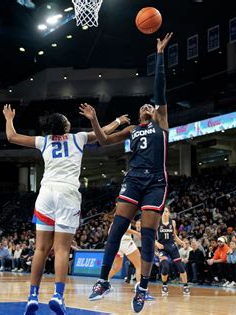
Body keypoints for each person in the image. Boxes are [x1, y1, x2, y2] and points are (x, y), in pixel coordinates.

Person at [3, 104, 130, 315]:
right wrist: (118, 121)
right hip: (67, 194)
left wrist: (8, 118)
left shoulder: (44, 141)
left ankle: (32, 296)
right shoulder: (77, 138)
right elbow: (103, 133)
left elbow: (12, 137)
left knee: (41, 250)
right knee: (62, 249)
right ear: (64, 125)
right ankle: (57, 296)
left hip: (46, 194)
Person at [81, 32, 173, 313]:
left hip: (156, 181)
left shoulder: (162, 124)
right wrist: (96, 120)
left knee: (146, 235)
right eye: (143, 105)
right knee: (117, 229)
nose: (147, 105)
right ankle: (103, 281)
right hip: (133, 179)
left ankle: (143, 287)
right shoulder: (132, 130)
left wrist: (159, 55)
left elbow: (160, 90)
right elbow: (103, 140)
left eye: (151, 105)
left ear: (156, 112)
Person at [103, 211, 155, 301]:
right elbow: (123, 228)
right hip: (124, 241)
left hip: (116, 243)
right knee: (140, 265)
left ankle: (104, 284)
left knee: (116, 267)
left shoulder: (120, 213)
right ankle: (142, 292)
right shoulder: (125, 212)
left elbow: (110, 231)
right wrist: (137, 233)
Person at [155, 207, 190, 296]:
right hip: (163, 247)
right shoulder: (157, 222)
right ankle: (164, 285)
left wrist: (181, 242)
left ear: (169, 213)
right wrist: (156, 243)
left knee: (180, 267)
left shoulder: (173, 222)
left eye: (166, 211)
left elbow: (174, 236)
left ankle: (186, 286)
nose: (164, 213)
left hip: (172, 246)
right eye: (163, 212)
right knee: (165, 266)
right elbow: (150, 236)